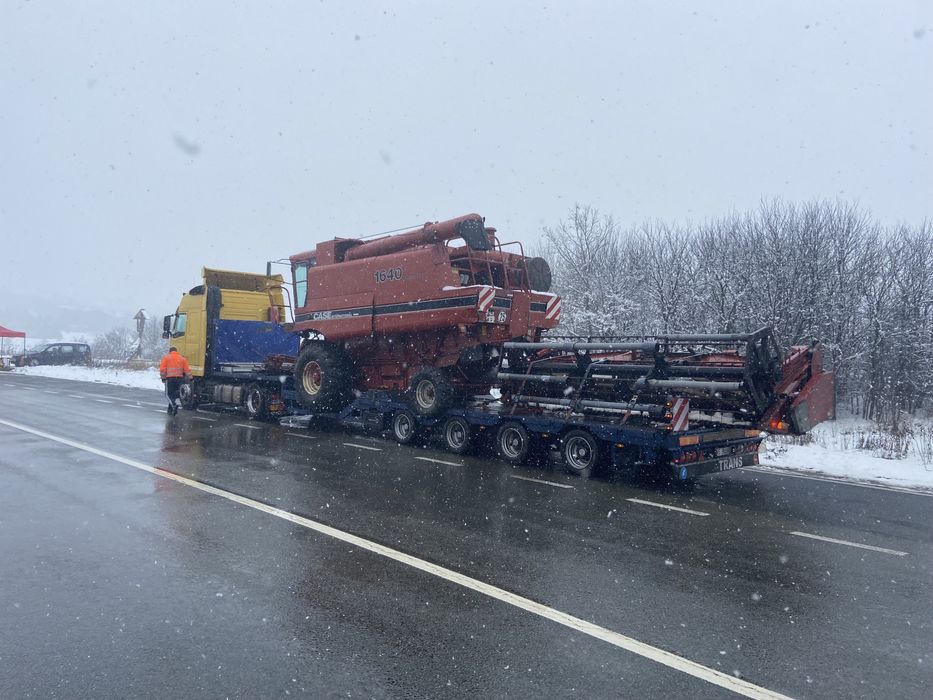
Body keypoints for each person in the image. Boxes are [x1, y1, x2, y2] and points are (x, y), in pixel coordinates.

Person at [159, 346, 192, 415]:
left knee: (168, 394)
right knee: (175, 394)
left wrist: (163, 378)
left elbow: (163, 369)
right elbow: (187, 370)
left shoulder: (166, 358)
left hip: (170, 378)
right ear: (176, 351)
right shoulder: (182, 359)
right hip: (179, 379)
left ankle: (174, 405)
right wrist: (190, 378)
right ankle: (170, 410)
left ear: (170, 351)